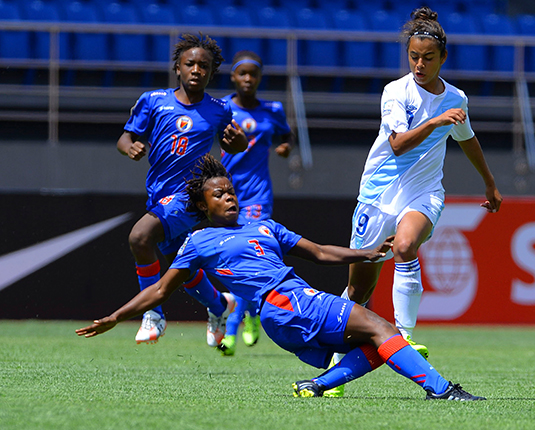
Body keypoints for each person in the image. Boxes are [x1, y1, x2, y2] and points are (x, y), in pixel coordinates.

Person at [76, 155, 486, 401]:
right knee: (383, 328)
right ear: (202, 206)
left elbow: (321, 253)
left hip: (290, 309)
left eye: (231, 190)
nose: (229, 196)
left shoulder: (264, 226)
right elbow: (161, 289)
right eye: (218, 194)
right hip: (286, 303)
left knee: (379, 343)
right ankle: (443, 390)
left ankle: (320, 384)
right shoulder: (199, 240)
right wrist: (117, 316)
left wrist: (367, 252)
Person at [327, 7, 502, 397]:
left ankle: (404, 336)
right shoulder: (396, 92)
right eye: (413, 57)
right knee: (358, 290)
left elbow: (467, 139)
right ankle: (335, 369)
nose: (419, 64)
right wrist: (438, 122)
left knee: (406, 246)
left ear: (443, 58)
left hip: (424, 192)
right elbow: (398, 143)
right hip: (377, 196)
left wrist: (489, 183)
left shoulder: (457, 97)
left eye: (427, 58)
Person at [116, 33, 248, 346]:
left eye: (204, 66)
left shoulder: (219, 110)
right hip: (158, 195)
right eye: (190, 64)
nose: (197, 70)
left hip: (191, 197)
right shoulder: (153, 101)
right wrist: (130, 147)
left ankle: (154, 313)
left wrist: (238, 142)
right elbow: (124, 137)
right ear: (178, 67)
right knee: (183, 267)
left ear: (211, 72)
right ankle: (220, 306)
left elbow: (240, 142)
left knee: (139, 236)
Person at [216, 50, 295, 356]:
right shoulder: (222, 108)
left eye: (253, 74)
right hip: (227, 193)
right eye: (242, 74)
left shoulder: (272, 110)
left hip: (258, 195)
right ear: (233, 77)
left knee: (250, 253)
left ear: (259, 77)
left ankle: (233, 329)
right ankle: (251, 314)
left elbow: (286, 136)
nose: (248, 79)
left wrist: (285, 147)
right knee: (236, 261)